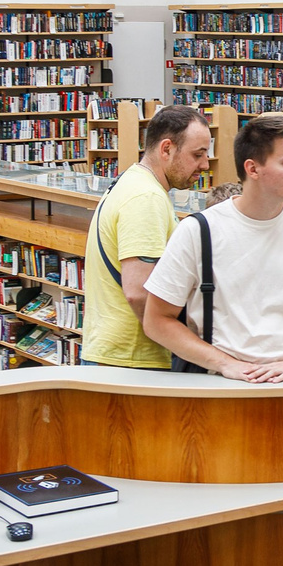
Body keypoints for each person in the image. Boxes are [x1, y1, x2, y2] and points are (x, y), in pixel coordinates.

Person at [142, 114, 283, 384]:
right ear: (253, 169)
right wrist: (225, 364)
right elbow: (156, 321)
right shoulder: (198, 230)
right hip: (221, 387)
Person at [85, 104, 214, 369]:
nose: (205, 164)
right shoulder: (146, 198)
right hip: (131, 360)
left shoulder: (129, 181)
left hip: (116, 353)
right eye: (197, 154)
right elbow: (139, 292)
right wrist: (186, 345)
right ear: (166, 149)